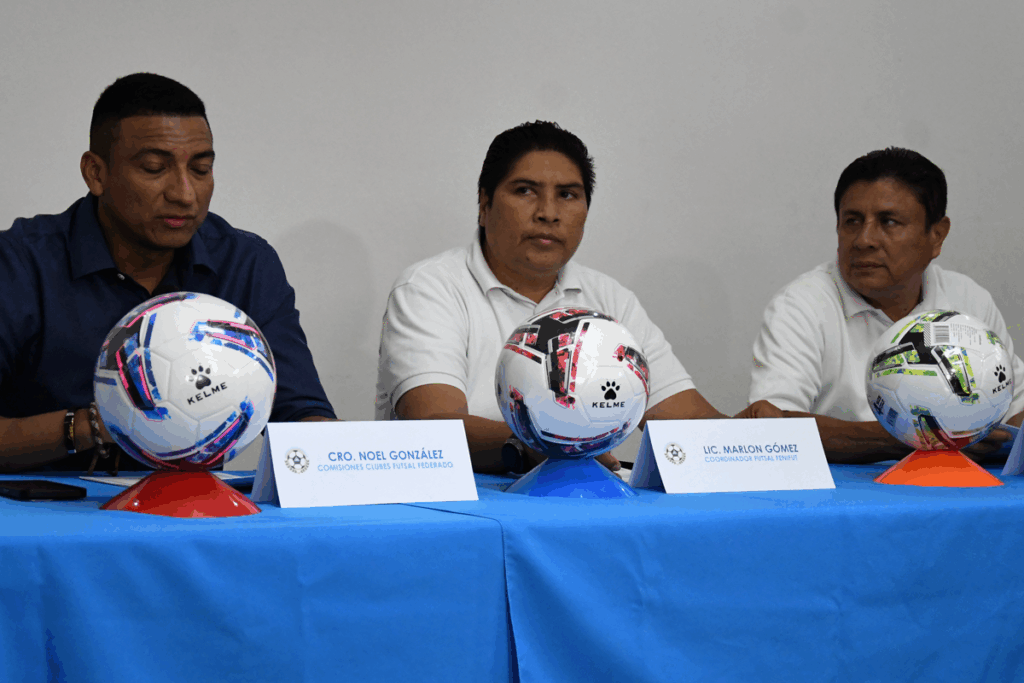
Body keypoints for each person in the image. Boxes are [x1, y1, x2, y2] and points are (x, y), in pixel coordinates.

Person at [0, 73, 335, 473]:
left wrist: (339, 456)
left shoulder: (245, 263)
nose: (184, 194)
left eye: (201, 169)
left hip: (194, 506)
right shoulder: (19, 263)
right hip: (43, 506)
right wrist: (104, 422)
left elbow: (299, 413)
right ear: (96, 173)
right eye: (154, 168)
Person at [375, 121, 725, 474]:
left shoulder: (609, 298)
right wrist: (537, 448)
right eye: (525, 191)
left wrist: (755, 436)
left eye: (567, 195)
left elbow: (688, 420)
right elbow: (433, 425)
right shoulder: (430, 287)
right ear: (484, 204)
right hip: (462, 503)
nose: (548, 213)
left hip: (580, 500)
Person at [740, 147, 1024, 462]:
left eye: (888, 222)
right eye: (852, 221)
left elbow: (1015, 411)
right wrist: (922, 436)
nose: (864, 240)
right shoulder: (801, 305)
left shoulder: (967, 299)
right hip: (844, 491)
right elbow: (771, 428)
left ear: (937, 235)